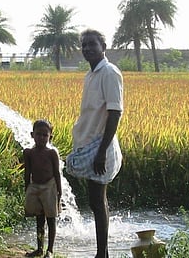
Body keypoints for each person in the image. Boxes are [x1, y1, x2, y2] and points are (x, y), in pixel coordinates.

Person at [72, 29, 123, 258]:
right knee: (95, 200)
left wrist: (101, 151)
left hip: (101, 145)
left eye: (92, 44)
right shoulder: (90, 74)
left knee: (97, 200)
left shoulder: (109, 73)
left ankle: (102, 253)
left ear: (103, 46)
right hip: (90, 142)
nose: (87, 49)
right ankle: (102, 252)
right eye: (84, 45)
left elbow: (114, 113)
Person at [23, 119, 62, 258]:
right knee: (39, 218)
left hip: (50, 186)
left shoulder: (52, 153)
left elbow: (57, 173)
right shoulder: (28, 153)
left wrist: (59, 191)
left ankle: (49, 250)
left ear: (50, 137)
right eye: (38, 134)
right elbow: (27, 172)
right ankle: (39, 248)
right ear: (32, 135)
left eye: (45, 135)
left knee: (51, 219)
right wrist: (27, 189)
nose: (41, 138)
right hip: (35, 186)